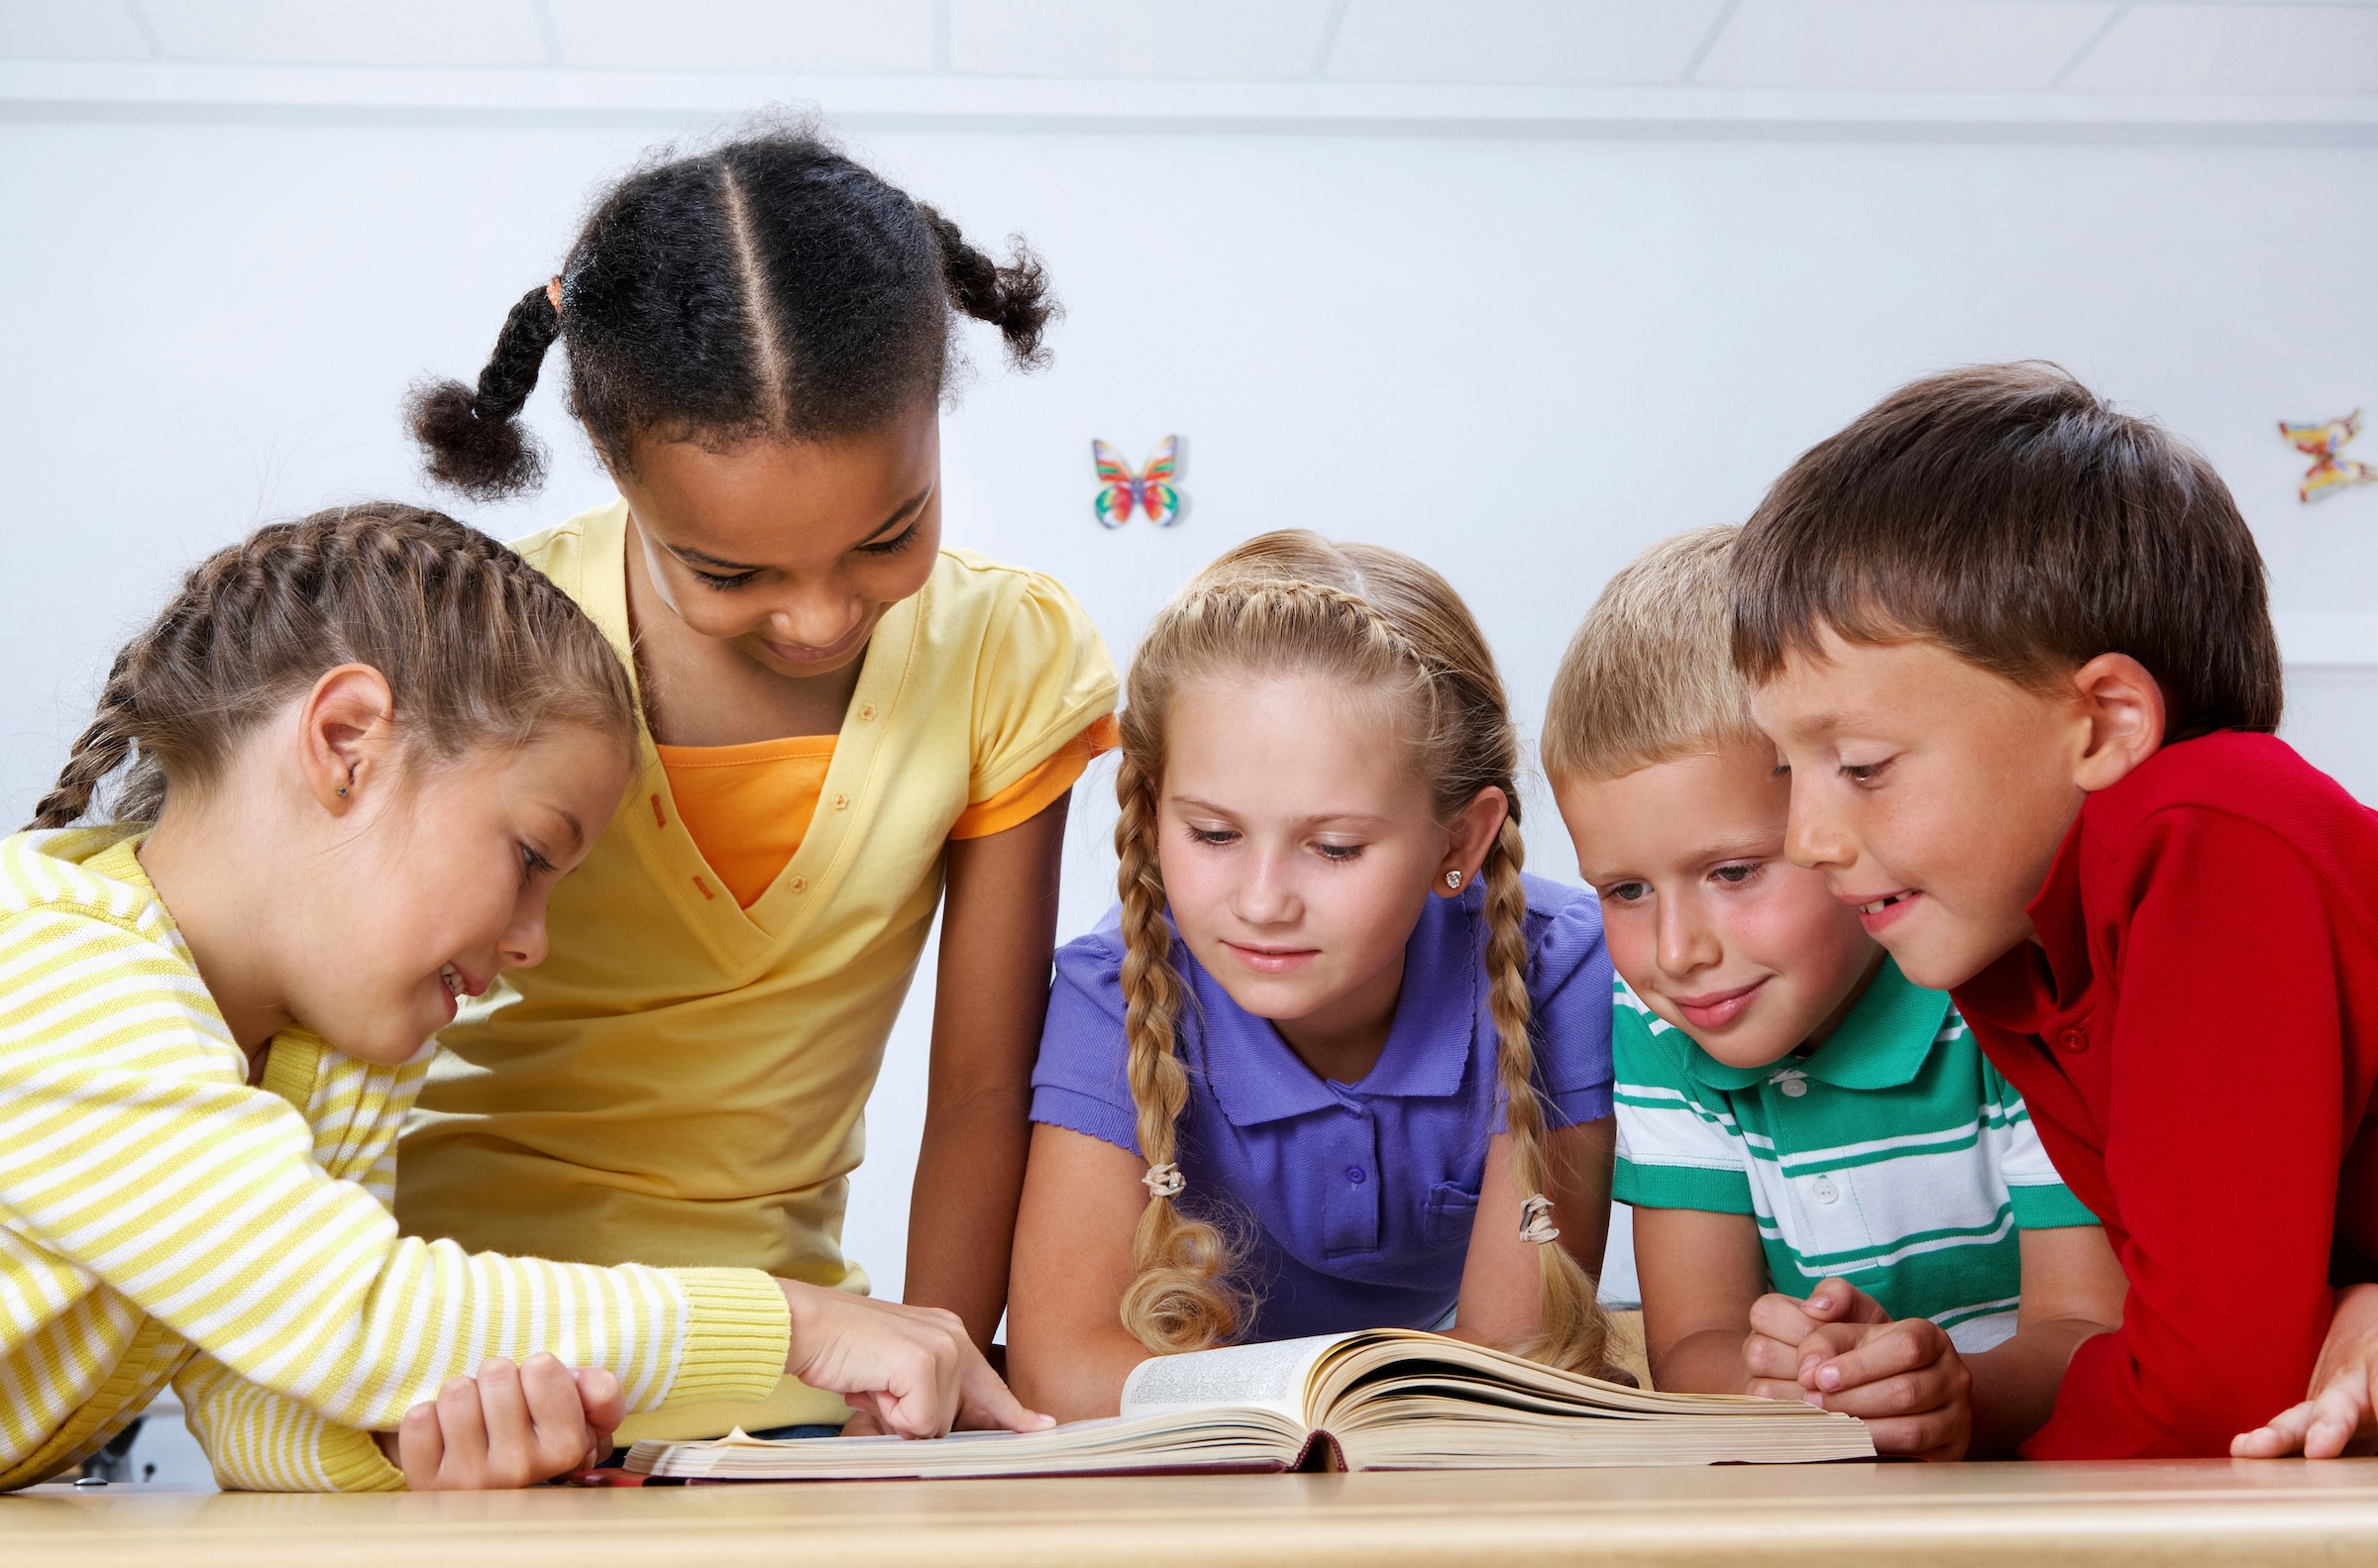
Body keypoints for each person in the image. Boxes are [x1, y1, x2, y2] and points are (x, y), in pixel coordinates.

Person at [0, 506, 1041, 1493]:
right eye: (533, 856)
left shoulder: (333, 1050)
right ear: (348, 739)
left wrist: (427, 1451)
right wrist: (795, 1324)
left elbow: (267, 1407)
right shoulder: (55, 968)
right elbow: (354, 1311)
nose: (533, 940)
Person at [398, 127, 1117, 1443]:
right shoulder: (488, 639)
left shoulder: (1005, 657)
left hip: (790, 1362)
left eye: (888, 535)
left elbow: (976, 1085)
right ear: (618, 472)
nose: (819, 616)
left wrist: (916, 1401)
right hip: (455, 1343)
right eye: (732, 573)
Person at [1731, 362, 2378, 1459]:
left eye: (1861, 762)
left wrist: (1986, 1466)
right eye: (1789, 771)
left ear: (2105, 721)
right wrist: (1958, 1401)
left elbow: (2219, 1385)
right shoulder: (2023, 951)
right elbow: (2225, 1344)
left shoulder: (2211, 831)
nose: (1808, 839)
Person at [1544, 525, 2124, 1460]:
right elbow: (1692, 1342)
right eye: (1625, 890)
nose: (1679, 950)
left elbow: (2091, 1328)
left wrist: (1952, 1391)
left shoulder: (2000, 994)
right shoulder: (1657, 1025)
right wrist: (1779, 1380)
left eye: (1733, 871)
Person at [1007, 532, 1615, 1422]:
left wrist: (1254, 1394)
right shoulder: (1118, 991)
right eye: (1213, 834)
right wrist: (1323, 1395)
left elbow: (1511, 1365)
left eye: (1333, 848)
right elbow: (1060, 1369)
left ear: (1459, 841)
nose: (1261, 902)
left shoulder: (1554, 967)